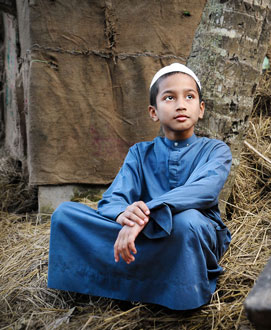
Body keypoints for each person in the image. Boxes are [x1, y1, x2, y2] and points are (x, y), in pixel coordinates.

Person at [47, 63, 232, 310]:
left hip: (184, 234)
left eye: (189, 96)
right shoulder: (140, 152)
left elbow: (203, 191)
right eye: (169, 97)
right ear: (153, 112)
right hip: (143, 236)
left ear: (200, 109)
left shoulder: (215, 150)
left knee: (187, 222)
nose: (180, 104)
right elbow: (113, 199)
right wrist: (125, 214)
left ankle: (163, 288)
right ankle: (144, 280)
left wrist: (144, 215)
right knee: (65, 215)